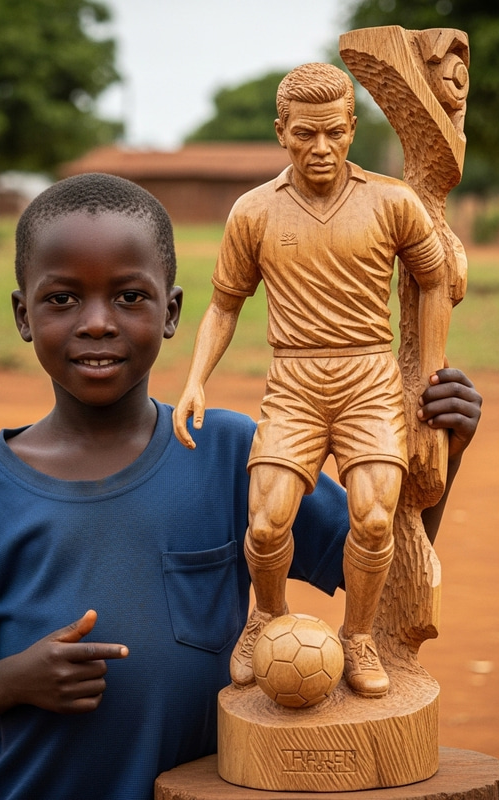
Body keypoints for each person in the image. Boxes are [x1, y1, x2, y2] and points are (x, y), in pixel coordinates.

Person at [0, 173, 482, 800]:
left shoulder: (229, 452)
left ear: (171, 312)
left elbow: (382, 559)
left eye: (128, 297)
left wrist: (442, 451)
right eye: (63, 299)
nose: (97, 323)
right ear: (23, 315)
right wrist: (17, 680)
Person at [173, 63, 460, 698]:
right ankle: (266, 617)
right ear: (282, 132)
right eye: (305, 134)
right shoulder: (254, 212)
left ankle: (359, 635)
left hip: (369, 377)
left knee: (375, 516)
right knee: (268, 523)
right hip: (294, 382)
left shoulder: (391, 203)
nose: (321, 148)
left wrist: (427, 375)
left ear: (353, 128)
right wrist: (195, 379)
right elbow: (224, 305)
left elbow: (435, 279)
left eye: (334, 132)